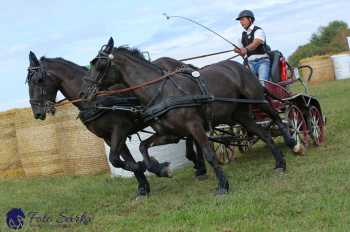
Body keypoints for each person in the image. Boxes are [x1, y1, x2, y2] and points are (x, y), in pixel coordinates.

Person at [234, 10, 270, 85]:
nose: (241, 22)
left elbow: (256, 43)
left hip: (262, 62)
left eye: (242, 20)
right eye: (240, 21)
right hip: (249, 63)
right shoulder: (242, 35)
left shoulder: (259, 31)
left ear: (250, 19)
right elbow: (240, 50)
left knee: (262, 84)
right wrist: (237, 50)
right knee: (247, 85)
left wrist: (245, 49)